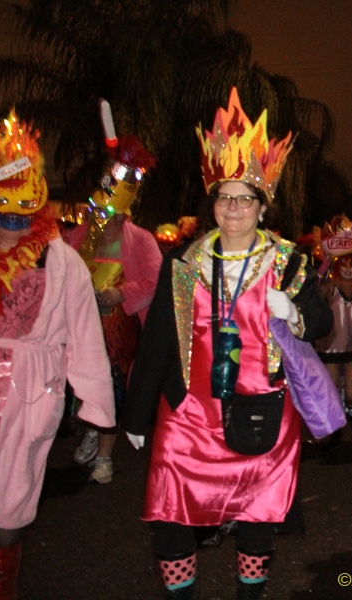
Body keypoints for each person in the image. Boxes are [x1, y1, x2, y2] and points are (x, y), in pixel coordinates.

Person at [122, 88, 332, 600]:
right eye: (224, 197)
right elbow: (157, 341)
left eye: (245, 198)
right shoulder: (183, 263)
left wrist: (295, 313)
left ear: (262, 207)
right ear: (211, 204)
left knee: (258, 517)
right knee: (170, 516)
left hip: (264, 410)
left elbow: (321, 321)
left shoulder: (289, 262)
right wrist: (136, 413)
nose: (233, 207)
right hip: (188, 414)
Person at [0, 109, 114, 599]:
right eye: (1, 201)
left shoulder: (62, 260)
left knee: (10, 498)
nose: (12, 216)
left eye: (24, 201)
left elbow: (85, 335)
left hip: (26, 392)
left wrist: (97, 403)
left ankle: (1, 584)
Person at [65, 134, 163, 484]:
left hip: (119, 332)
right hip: (82, 326)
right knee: (80, 383)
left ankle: (105, 455)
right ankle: (92, 430)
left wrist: (121, 293)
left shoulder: (141, 240)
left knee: (112, 386)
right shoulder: (80, 236)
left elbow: (155, 281)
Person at [315, 241, 352, 443]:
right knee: (333, 392)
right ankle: (336, 429)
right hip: (330, 348)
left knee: (350, 394)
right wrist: (325, 263)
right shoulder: (330, 287)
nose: (347, 269)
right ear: (337, 268)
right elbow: (312, 288)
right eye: (343, 265)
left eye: (351, 265)